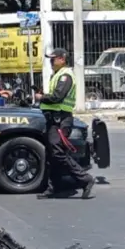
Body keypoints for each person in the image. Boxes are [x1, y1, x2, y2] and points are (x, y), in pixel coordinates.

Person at [35, 48, 95, 199]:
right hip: (54, 119)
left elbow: (57, 97)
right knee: (52, 155)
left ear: (62, 59)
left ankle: (85, 179)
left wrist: (41, 97)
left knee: (58, 152)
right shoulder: (56, 75)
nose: (51, 62)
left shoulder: (65, 75)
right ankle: (54, 187)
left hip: (60, 119)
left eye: (53, 59)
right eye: (50, 59)